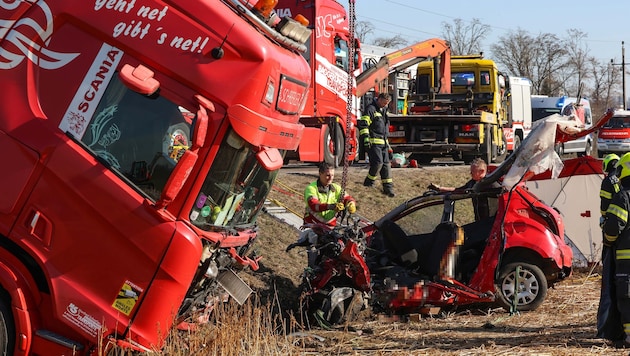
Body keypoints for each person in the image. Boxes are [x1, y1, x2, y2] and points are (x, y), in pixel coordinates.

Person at [288, 162, 356, 267]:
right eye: (327, 175)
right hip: (313, 227)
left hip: (329, 229)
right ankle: (311, 271)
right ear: (320, 174)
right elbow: (313, 205)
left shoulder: (335, 188)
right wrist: (331, 206)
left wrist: (351, 203)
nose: (330, 178)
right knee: (313, 251)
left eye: (332, 175)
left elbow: (347, 197)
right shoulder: (311, 189)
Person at [603, 152, 630, 348]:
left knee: (626, 296)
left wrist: (608, 241)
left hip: (626, 258)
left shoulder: (623, 197)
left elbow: (612, 228)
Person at [597, 153, 624, 343]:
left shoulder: (608, 181)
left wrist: (608, 238)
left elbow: (606, 210)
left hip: (615, 240)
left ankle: (608, 328)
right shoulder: (623, 182)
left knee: (611, 282)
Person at [428, 157, 500, 220]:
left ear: (482, 171)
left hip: (491, 221)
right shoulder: (473, 183)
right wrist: (440, 189)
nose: (470, 173)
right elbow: (459, 190)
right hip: (479, 220)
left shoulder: (492, 184)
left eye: (472, 172)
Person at [359, 92, 395, 197]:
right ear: (379, 99)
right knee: (378, 163)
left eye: (387, 103)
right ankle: (369, 183)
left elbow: (384, 132)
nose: (385, 105)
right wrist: (366, 139)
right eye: (384, 103)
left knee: (386, 165)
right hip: (373, 143)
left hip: (383, 143)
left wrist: (388, 146)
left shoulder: (383, 111)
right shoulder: (371, 109)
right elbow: (363, 124)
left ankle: (388, 189)